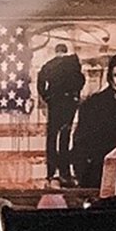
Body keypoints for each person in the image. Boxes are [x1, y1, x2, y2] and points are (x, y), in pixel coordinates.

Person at [71, 50, 116, 188]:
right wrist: (86, 182)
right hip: (99, 181)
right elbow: (80, 149)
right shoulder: (92, 106)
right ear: (110, 78)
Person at [36, 41, 86, 185]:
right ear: (65, 50)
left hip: (55, 102)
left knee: (52, 136)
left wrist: (46, 96)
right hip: (69, 102)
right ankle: (64, 172)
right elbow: (80, 80)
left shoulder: (49, 65)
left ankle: (51, 172)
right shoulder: (73, 64)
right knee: (65, 136)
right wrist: (75, 95)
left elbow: (41, 83)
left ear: (56, 51)